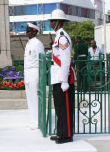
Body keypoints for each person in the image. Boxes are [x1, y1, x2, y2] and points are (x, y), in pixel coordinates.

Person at [49, 9, 75, 144]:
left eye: (52, 21)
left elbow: (65, 60)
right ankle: (61, 132)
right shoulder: (58, 36)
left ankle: (67, 135)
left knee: (65, 107)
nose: (51, 23)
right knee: (59, 107)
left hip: (62, 78)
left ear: (58, 22)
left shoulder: (62, 37)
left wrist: (64, 80)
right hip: (57, 77)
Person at [24, 23, 44, 129]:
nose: (26, 32)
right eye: (26, 30)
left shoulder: (37, 43)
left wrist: (39, 76)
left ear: (34, 31)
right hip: (28, 74)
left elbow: (42, 60)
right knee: (30, 99)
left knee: (35, 99)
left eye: (29, 30)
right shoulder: (28, 43)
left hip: (35, 74)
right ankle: (33, 120)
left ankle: (37, 122)